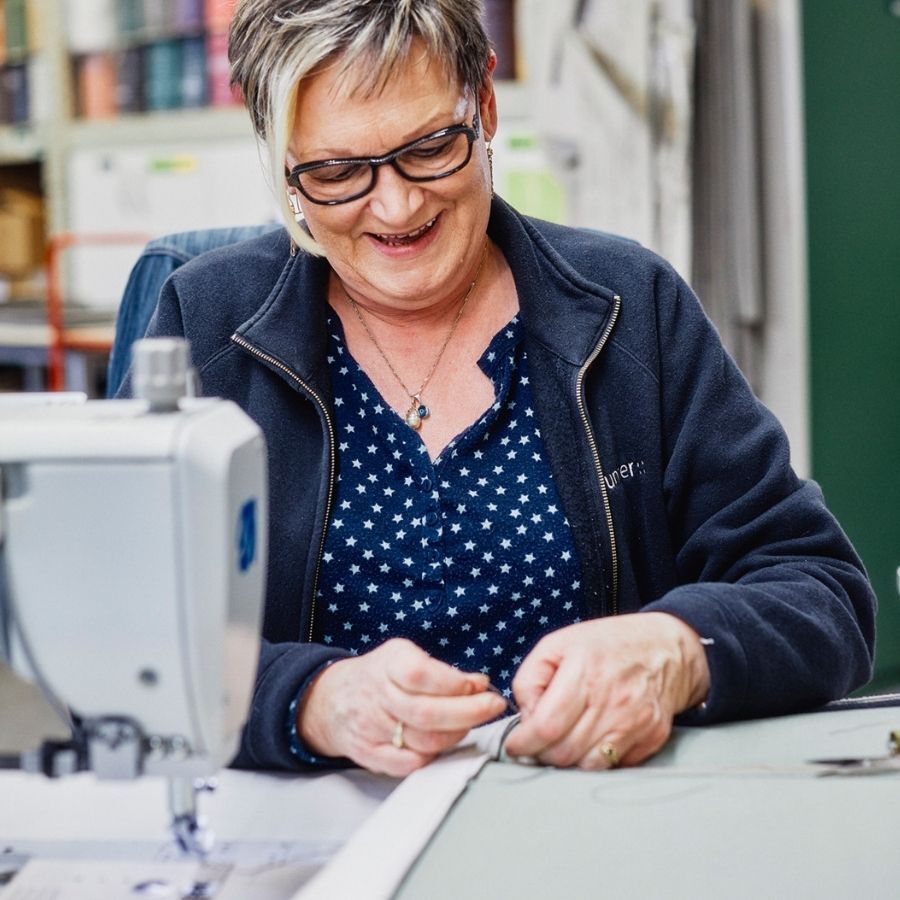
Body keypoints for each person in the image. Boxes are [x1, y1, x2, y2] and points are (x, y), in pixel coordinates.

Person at [121, 0, 875, 776]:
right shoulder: (205, 324)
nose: (397, 205)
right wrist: (308, 698)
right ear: (280, 161)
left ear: (483, 105)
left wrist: (676, 649)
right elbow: (118, 632)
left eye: (430, 147)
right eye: (338, 172)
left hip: (596, 813)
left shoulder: (628, 306)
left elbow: (822, 594)